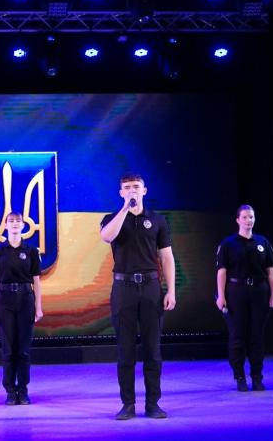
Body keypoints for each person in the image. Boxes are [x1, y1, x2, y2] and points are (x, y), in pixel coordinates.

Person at [100, 173, 176, 420]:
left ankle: (153, 403)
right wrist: (125, 209)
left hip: (151, 287)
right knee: (126, 350)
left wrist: (171, 290)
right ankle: (128, 404)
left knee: (152, 349)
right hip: (123, 288)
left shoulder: (157, 220)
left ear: (144, 190)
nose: (132, 190)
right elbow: (106, 237)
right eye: (127, 187)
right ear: (121, 192)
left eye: (136, 187)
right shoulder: (111, 218)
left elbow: (166, 257)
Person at [215, 205, 273, 391]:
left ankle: (257, 377)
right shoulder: (228, 244)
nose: (248, 220)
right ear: (237, 220)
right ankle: (240, 376)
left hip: (259, 291)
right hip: (236, 291)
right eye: (244, 217)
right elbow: (222, 272)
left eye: (251, 217)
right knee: (238, 335)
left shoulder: (262, 242)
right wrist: (221, 295)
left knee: (257, 335)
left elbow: (270, 270)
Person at [0, 212, 44, 405]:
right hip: (4, 300)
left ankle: (23, 389)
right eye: (11, 221)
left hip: (25, 299)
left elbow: (36, 281)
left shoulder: (31, 251)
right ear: (5, 225)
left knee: (24, 349)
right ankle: (10, 391)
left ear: (23, 225)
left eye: (18, 221)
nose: (14, 224)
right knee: (8, 349)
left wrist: (38, 307)